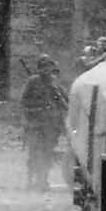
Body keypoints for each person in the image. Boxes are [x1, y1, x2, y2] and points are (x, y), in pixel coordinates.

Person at [19, 55, 66, 190]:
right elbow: (23, 101)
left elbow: (64, 101)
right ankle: (30, 181)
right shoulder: (32, 82)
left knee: (47, 153)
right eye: (43, 67)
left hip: (51, 125)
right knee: (34, 153)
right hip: (35, 124)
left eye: (48, 67)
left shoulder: (54, 83)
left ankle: (43, 180)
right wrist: (38, 107)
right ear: (39, 68)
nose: (46, 70)